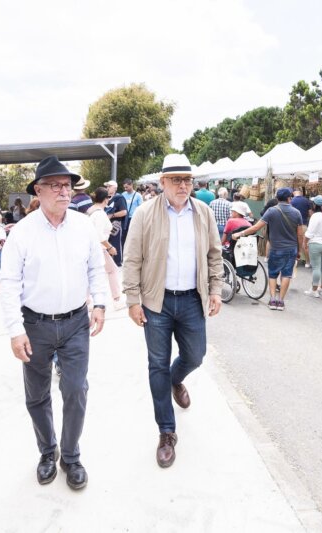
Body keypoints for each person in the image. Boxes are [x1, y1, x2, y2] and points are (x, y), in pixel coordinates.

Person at [0, 156, 107, 490]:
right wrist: (16, 330)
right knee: (37, 395)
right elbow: (9, 282)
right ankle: (47, 452)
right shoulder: (23, 232)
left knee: (76, 389)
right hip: (35, 325)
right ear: (39, 190)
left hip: (76, 322)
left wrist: (100, 302)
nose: (65, 191)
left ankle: (71, 456)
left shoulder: (83, 225)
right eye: (57, 185)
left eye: (68, 185)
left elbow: (95, 267)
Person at [122, 153, 223, 468]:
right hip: (157, 302)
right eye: (176, 179)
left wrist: (216, 290)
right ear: (162, 183)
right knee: (156, 365)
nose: (183, 185)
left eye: (187, 179)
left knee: (195, 356)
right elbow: (132, 257)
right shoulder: (144, 213)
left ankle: (176, 379)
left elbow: (214, 254)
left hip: (192, 299)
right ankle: (167, 432)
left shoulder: (203, 213)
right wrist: (132, 299)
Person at [234, 188, 303, 311]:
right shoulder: (296, 213)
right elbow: (300, 234)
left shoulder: (271, 211)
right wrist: (299, 250)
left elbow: (255, 227)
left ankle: (272, 300)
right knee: (286, 275)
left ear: (277, 198)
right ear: (289, 198)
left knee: (273, 274)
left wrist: (240, 233)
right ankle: (281, 301)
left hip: (275, 248)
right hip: (291, 248)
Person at [87, 187, 123, 308]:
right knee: (113, 271)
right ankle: (117, 300)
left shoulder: (91, 210)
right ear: (106, 199)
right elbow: (100, 235)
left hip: (92, 247)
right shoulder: (100, 214)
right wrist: (110, 247)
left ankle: (87, 301)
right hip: (99, 248)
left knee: (90, 274)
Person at [303, 195, 322, 298]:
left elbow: (309, 232)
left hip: (315, 244)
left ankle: (314, 290)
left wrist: (304, 243)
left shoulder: (315, 216)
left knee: (316, 268)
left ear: (315, 205)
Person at [104, 180, 127, 266]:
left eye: (109, 186)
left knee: (116, 242)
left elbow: (124, 212)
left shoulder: (119, 198)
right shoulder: (106, 197)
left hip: (116, 224)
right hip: (106, 224)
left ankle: (117, 262)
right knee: (106, 242)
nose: (107, 188)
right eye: (107, 186)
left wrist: (112, 215)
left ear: (115, 188)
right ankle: (108, 261)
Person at [291, 189, 312, 266]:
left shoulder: (291, 201)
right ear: (301, 193)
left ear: (294, 193)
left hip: (293, 225)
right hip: (304, 224)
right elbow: (310, 214)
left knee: (293, 243)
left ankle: (294, 262)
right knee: (304, 244)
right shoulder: (307, 201)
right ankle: (307, 262)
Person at [121, 178, 143, 245]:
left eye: (127, 187)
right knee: (123, 236)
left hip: (133, 219)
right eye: (124, 187)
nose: (125, 189)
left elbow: (141, 208)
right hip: (124, 218)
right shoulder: (123, 194)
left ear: (131, 185)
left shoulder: (138, 195)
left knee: (132, 236)